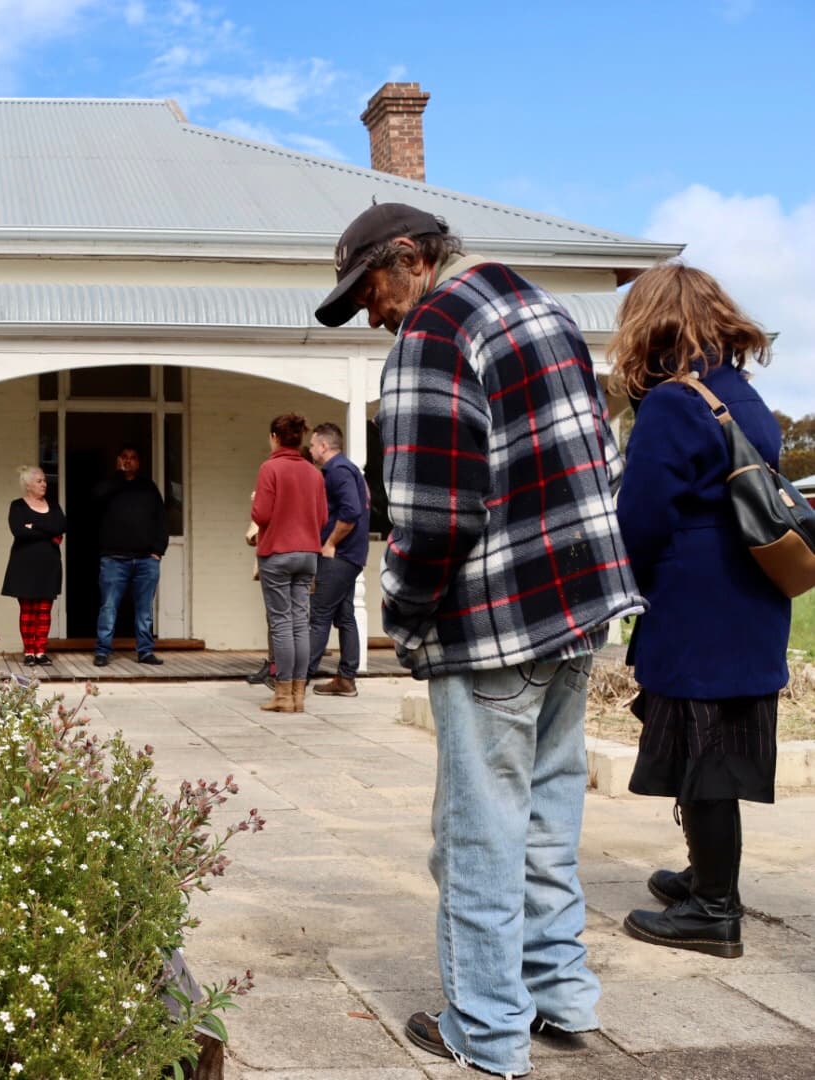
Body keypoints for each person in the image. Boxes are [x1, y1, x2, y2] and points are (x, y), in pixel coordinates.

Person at [316, 202, 643, 1077]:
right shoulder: (546, 311)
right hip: (578, 610)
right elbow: (600, 463)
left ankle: (488, 1030)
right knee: (546, 814)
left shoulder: (433, 333)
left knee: (477, 833)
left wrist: (405, 614)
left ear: (412, 259)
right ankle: (562, 995)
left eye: (371, 290)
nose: (373, 313)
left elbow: (432, 513)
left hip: (492, 624)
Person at [611, 263, 788, 960]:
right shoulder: (742, 395)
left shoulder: (672, 403)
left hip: (695, 609)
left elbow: (642, 518)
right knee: (715, 750)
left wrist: (621, 584)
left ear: (650, 324)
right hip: (749, 603)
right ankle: (706, 877)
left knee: (706, 757)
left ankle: (715, 909)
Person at [250, 414, 327, 713]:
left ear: (275, 437)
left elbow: (262, 515)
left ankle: (282, 694)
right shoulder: (313, 473)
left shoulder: (270, 468)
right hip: (308, 554)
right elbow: (322, 518)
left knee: (281, 622)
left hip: (277, 553)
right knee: (299, 622)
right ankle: (298, 694)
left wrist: (256, 501)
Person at [306, 422, 369, 697]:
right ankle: (346, 679)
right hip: (351, 555)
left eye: (312, 444)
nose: (310, 449)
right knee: (345, 616)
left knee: (319, 613)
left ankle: (298, 677)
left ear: (323, 446)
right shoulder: (347, 469)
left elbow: (352, 511)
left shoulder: (338, 470)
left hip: (340, 555)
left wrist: (330, 542)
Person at [92, 444, 169, 667]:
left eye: (133, 457)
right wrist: (118, 475)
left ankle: (145, 651)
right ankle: (103, 651)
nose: (128, 461)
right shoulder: (108, 485)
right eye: (124, 457)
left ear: (139, 462)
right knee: (108, 607)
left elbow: (161, 520)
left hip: (146, 559)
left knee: (144, 609)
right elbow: (96, 498)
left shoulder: (148, 488)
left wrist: (158, 550)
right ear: (118, 460)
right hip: (114, 559)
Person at [1, 465, 66, 666]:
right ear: (28, 485)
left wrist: (34, 526)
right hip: (24, 566)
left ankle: (40, 651)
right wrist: (47, 533)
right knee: (28, 611)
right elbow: (19, 531)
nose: (44, 484)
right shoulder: (18, 506)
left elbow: (61, 527)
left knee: (44, 610)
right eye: (39, 481)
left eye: (45, 481)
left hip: (49, 566)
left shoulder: (53, 506)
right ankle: (29, 651)